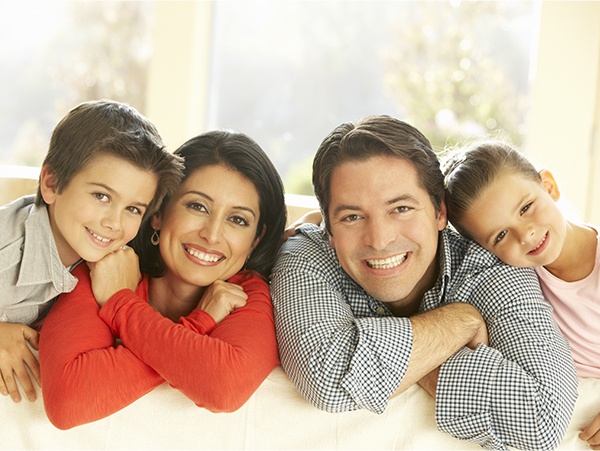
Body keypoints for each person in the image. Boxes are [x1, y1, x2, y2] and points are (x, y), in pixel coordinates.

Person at [270, 115, 578, 450]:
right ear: (328, 228)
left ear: (439, 212)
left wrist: (395, 364)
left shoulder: (490, 262)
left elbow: (543, 420)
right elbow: (327, 380)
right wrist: (458, 322)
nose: (380, 239)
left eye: (401, 208)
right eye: (352, 217)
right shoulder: (306, 254)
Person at [38, 130, 286, 430]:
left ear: (255, 240)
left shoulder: (247, 294)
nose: (212, 234)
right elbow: (68, 402)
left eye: (238, 220)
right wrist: (199, 324)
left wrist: (121, 306)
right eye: (197, 206)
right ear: (158, 212)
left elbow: (224, 388)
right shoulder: (107, 265)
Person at [0, 99, 183, 404]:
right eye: (101, 196)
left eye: (133, 209)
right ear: (51, 183)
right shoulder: (7, 251)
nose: (114, 223)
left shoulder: (111, 259)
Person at [440, 139, 600, 449]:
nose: (525, 234)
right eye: (500, 235)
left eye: (526, 208)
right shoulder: (516, 282)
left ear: (549, 186)